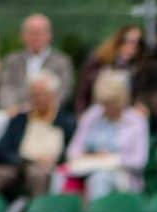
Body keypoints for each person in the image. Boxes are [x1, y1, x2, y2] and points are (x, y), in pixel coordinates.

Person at [0, 71, 75, 200]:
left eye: (41, 95)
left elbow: (70, 152)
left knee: (37, 175)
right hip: (17, 165)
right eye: (33, 95)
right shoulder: (20, 119)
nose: (37, 99)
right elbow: (1, 148)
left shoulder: (65, 122)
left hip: (45, 169)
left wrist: (54, 161)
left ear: (52, 96)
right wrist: (21, 160)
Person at [61, 71, 149, 200]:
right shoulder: (92, 115)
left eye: (111, 103)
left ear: (122, 101)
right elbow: (72, 150)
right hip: (86, 169)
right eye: (104, 104)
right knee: (59, 175)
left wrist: (112, 159)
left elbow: (139, 161)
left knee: (99, 178)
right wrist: (91, 157)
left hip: (123, 176)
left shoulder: (137, 121)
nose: (107, 108)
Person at [0, 14, 74, 114]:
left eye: (40, 33)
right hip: (14, 111)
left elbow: (64, 90)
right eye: (31, 33)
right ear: (22, 36)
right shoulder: (12, 60)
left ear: (49, 35)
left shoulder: (62, 61)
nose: (36, 37)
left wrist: (43, 107)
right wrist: (11, 106)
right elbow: (5, 87)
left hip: (48, 112)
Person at [74, 24, 144, 115]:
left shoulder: (140, 66)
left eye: (138, 43)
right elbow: (82, 93)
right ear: (118, 41)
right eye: (128, 41)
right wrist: (81, 114)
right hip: (100, 112)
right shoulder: (98, 61)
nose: (132, 46)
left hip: (126, 114)